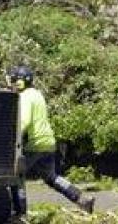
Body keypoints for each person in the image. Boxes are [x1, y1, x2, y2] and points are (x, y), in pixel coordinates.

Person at [7, 65, 94, 215]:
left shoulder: (25, 96)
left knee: (15, 177)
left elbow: (24, 122)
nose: (12, 83)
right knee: (51, 177)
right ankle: (82, 199)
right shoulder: (38, 94)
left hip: (34, 145)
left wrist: (10, 138)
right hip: (48, 142)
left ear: (20, 82)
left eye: (14, 80)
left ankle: (20, 214)